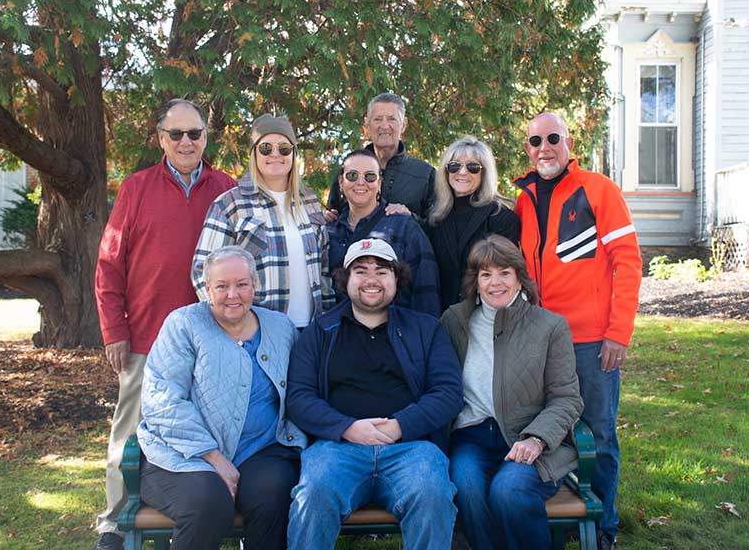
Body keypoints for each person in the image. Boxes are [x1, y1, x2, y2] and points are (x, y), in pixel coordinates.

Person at [93, 99, 236, 550]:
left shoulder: (227, 188)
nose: (186, 142)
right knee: (131, 432)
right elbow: (109, 266)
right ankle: (115, 524)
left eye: (195, 134)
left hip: (213, 338)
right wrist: (115, 330)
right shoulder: (136, 189)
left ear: (205, 138)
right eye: (176, 135)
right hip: (148, 336)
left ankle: (207, 513)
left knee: (211, 430)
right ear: (161, 139)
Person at [513, 112, 642, 550]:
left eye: (553, 138)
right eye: (535, 140)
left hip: (590, 341)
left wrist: (618, 332)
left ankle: (604, 526)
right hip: (540, 338)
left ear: (569, 143)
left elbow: (628, 262)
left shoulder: (599, 190)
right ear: (527, 148)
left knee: (600, 433)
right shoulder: (524, 199)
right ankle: (563, 513)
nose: (544, 147)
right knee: (551, 428)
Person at [286, 238, 463, 550]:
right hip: (337, 448)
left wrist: (398, 427)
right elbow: (299, 396)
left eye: (382, 271)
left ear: (397, 279)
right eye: (361, 271)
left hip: (411, 448)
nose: (371, 280)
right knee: (313, 493)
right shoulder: (321, 331)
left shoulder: (425, 329)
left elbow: (448, 393)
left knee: (432, 493)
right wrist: (347, 428)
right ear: (346, 280)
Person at [138, 247, 307, 550]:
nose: (233, 294)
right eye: (222, 286)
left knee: (273, 493)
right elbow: (161, 399)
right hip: (183, 455)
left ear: (255, 286)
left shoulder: (280, 328)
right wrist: (212, 456)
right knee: (209, 503)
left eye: (242, 284)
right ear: (206, 289)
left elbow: (302, 387)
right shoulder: (184, 325)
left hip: (261, 450)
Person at [441, 235, 583, 550]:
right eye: (486, 274)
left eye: (505, 272)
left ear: (519, 277)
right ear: (475, 281)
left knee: (510, 491)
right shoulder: (454, 321)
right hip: (471, 436)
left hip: (529, 437)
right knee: (465, 485)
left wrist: (537, 438)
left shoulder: (550, 327)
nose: (496, 283)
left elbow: (567, 397)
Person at [191, 113, 334, 329]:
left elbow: (324, 269)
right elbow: (202, 271)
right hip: (257, 333)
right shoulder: (230, 204)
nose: (275, 154)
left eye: (284, 149)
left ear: (294, 155)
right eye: (266, 148)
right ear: (254, 153)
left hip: (310, 332)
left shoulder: (310, 202)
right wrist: (234, 325)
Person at [328, 148, 440, 316]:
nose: (360, 182)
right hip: (339, 335)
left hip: (394, 334)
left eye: (369, 176)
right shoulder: (328, 232)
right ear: (341, 182)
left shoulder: (405, 228)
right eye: (352, 175)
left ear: (379, 183)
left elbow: (426, 294)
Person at [427, 135, 520, 312]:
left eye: (473, 167)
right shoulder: (435, 218)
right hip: (443, 319)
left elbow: (504, 275)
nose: (462, 172)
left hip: (486, 317)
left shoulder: (501, 218)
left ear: (484, 173)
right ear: (445, 172)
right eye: (454, 166)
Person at [327, 93, 436, 220]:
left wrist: (411, 218)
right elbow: (333, 217)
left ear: (404, 124)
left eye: (391, 119)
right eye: (378, 119)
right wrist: (328, 217)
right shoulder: (348, 170)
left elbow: (437, 229)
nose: (384, 126)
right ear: (367, 124)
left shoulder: (425, 175)